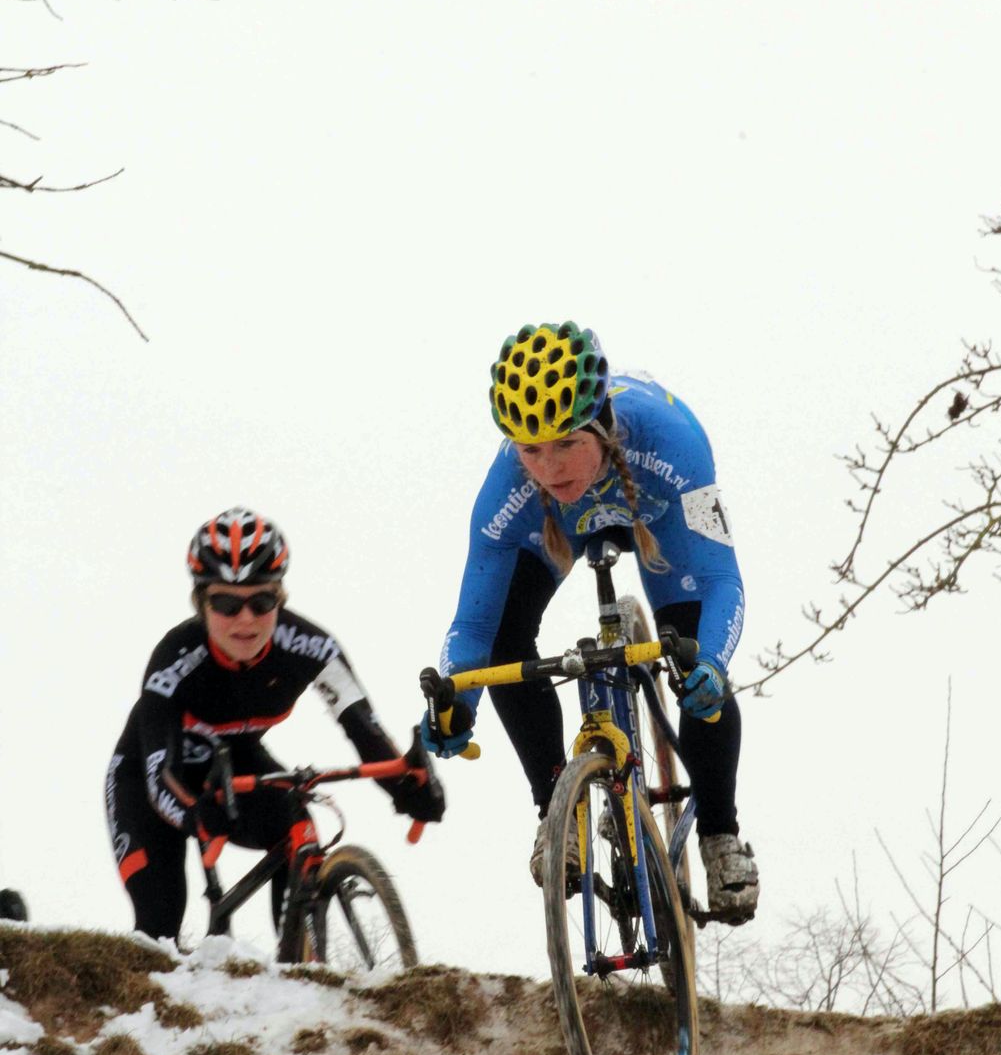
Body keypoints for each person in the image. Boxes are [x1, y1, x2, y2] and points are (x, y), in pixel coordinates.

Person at [423, 321, 758, 924]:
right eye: (530, 449)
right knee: (505, 640)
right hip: (559, 529)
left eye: (565, 444)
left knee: (691, 658)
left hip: (653, 511)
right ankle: (557, 808)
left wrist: (711, 661)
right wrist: (453, 700)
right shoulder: (510, 484)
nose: (548, 469)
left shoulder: (673, 443)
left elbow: (720, 581)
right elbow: (471, 630)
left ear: (601, 425)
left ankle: (719, 832)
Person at [106, 506, 444, 943]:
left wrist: (406, 784)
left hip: (235, 761)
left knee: (295, 822)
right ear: (201, 604)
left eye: (261, 601)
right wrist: (195, 814)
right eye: (226, 604)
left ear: (279, 599)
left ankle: (297, 964)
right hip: (148, 777)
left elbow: (362, 728)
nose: (245, 619)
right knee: (160, 921)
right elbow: (158, 775)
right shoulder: (174, 658)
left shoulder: (310, 645)